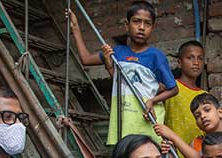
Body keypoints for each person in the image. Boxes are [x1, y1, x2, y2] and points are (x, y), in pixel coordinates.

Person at [70, 1, 178, 145]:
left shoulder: (156, 56)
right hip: (123, 120)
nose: (141, 27)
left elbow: (173, 89)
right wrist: (76, 29)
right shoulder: (117, 53)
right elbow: (86, 59)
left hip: (146, 121)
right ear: (127, 25)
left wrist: (152, 101)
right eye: (136, 22)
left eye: (147, 24)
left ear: (153, 28)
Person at [155, 92, 222, 158]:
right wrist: (173, 157)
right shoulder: (196, 143)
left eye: (207, 110)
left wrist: (172, 136)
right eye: (197, 116)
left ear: (220, 112)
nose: (203, 116)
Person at [164, 40, 207, 158]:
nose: (196, 63)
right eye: (190, 58)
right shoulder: (170, 89)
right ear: (179, 62)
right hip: (174, 156)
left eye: (200, 58)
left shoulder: (205, 95)